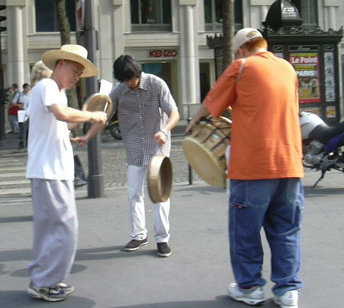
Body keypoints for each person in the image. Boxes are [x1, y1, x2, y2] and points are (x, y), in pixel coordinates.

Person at [187, 28, 304, 308]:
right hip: (290, 165)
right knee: (286, 231)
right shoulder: (288, 69)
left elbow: (210, 106)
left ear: (240, 50)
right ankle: (287, 291)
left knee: (245, 232)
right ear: (264, 45)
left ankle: (249, 287)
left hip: (252, 166)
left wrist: (192, 126)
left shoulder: (241, 67)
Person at [77, 55, 180, 258]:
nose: (129, 84)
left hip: (157, 147)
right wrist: (88, 136)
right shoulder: (119, 91)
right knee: (134, 193)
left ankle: (162, 238)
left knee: (159, 194)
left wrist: (165, 130)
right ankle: (139, 235)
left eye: (131, 79)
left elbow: (174, 112)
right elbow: (103, 117)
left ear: (138, 73)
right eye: (124, 80)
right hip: (134, 147)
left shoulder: (156, 84)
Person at [26, 44, 107, 302]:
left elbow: (66, 121)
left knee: (53, 229)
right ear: (60, 64)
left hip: (52, 169)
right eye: (75, 70)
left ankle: (46, 279)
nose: (76, 76)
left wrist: (87, 122)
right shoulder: (48, 87)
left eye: (80, 73)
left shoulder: (54, 90)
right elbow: (62, 115)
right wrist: (92, 114)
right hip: (49, 170)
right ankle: (45, 281)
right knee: (64, 228)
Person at [14, 83, 31, 149]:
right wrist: (18, 105)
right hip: (22, 113)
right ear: (24, 88)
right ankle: (21, 144)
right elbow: (13, 103)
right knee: (22, 128)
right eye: (27, 88)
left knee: (28, 129)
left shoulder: (31, 95)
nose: (28, 89)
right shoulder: (19, 95)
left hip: (29, 113)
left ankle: (27, 143)